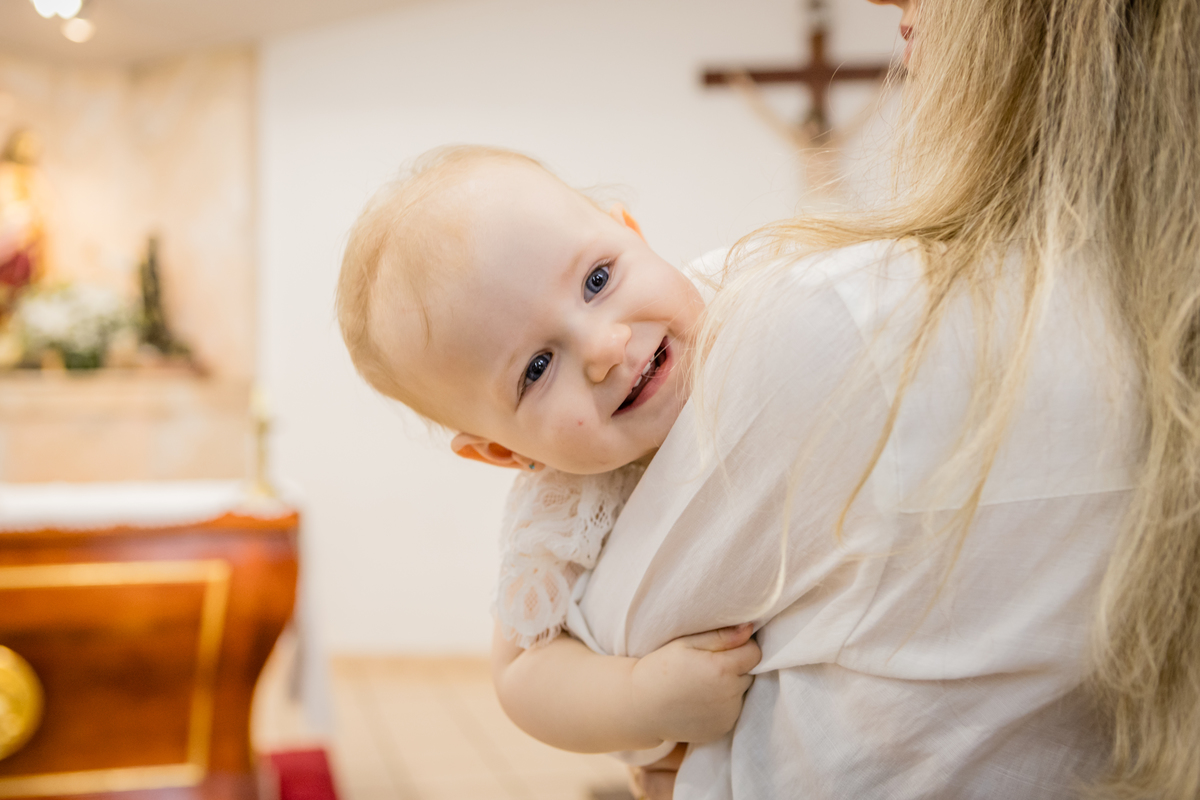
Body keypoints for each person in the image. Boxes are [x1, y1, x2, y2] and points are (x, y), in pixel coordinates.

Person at [552, 0, 1199, 796]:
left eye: (598, 279)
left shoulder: (847, 320)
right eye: (536, 365)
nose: (882, 1)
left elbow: (609, 648)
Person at [335, 145, 763, 768]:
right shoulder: (564, 502)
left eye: (597, 280)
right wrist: (642, 699)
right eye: (536, 368)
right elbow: (521, 673)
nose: (605, 347)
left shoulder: (756, 301)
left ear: (632, 233)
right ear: (505, 452)